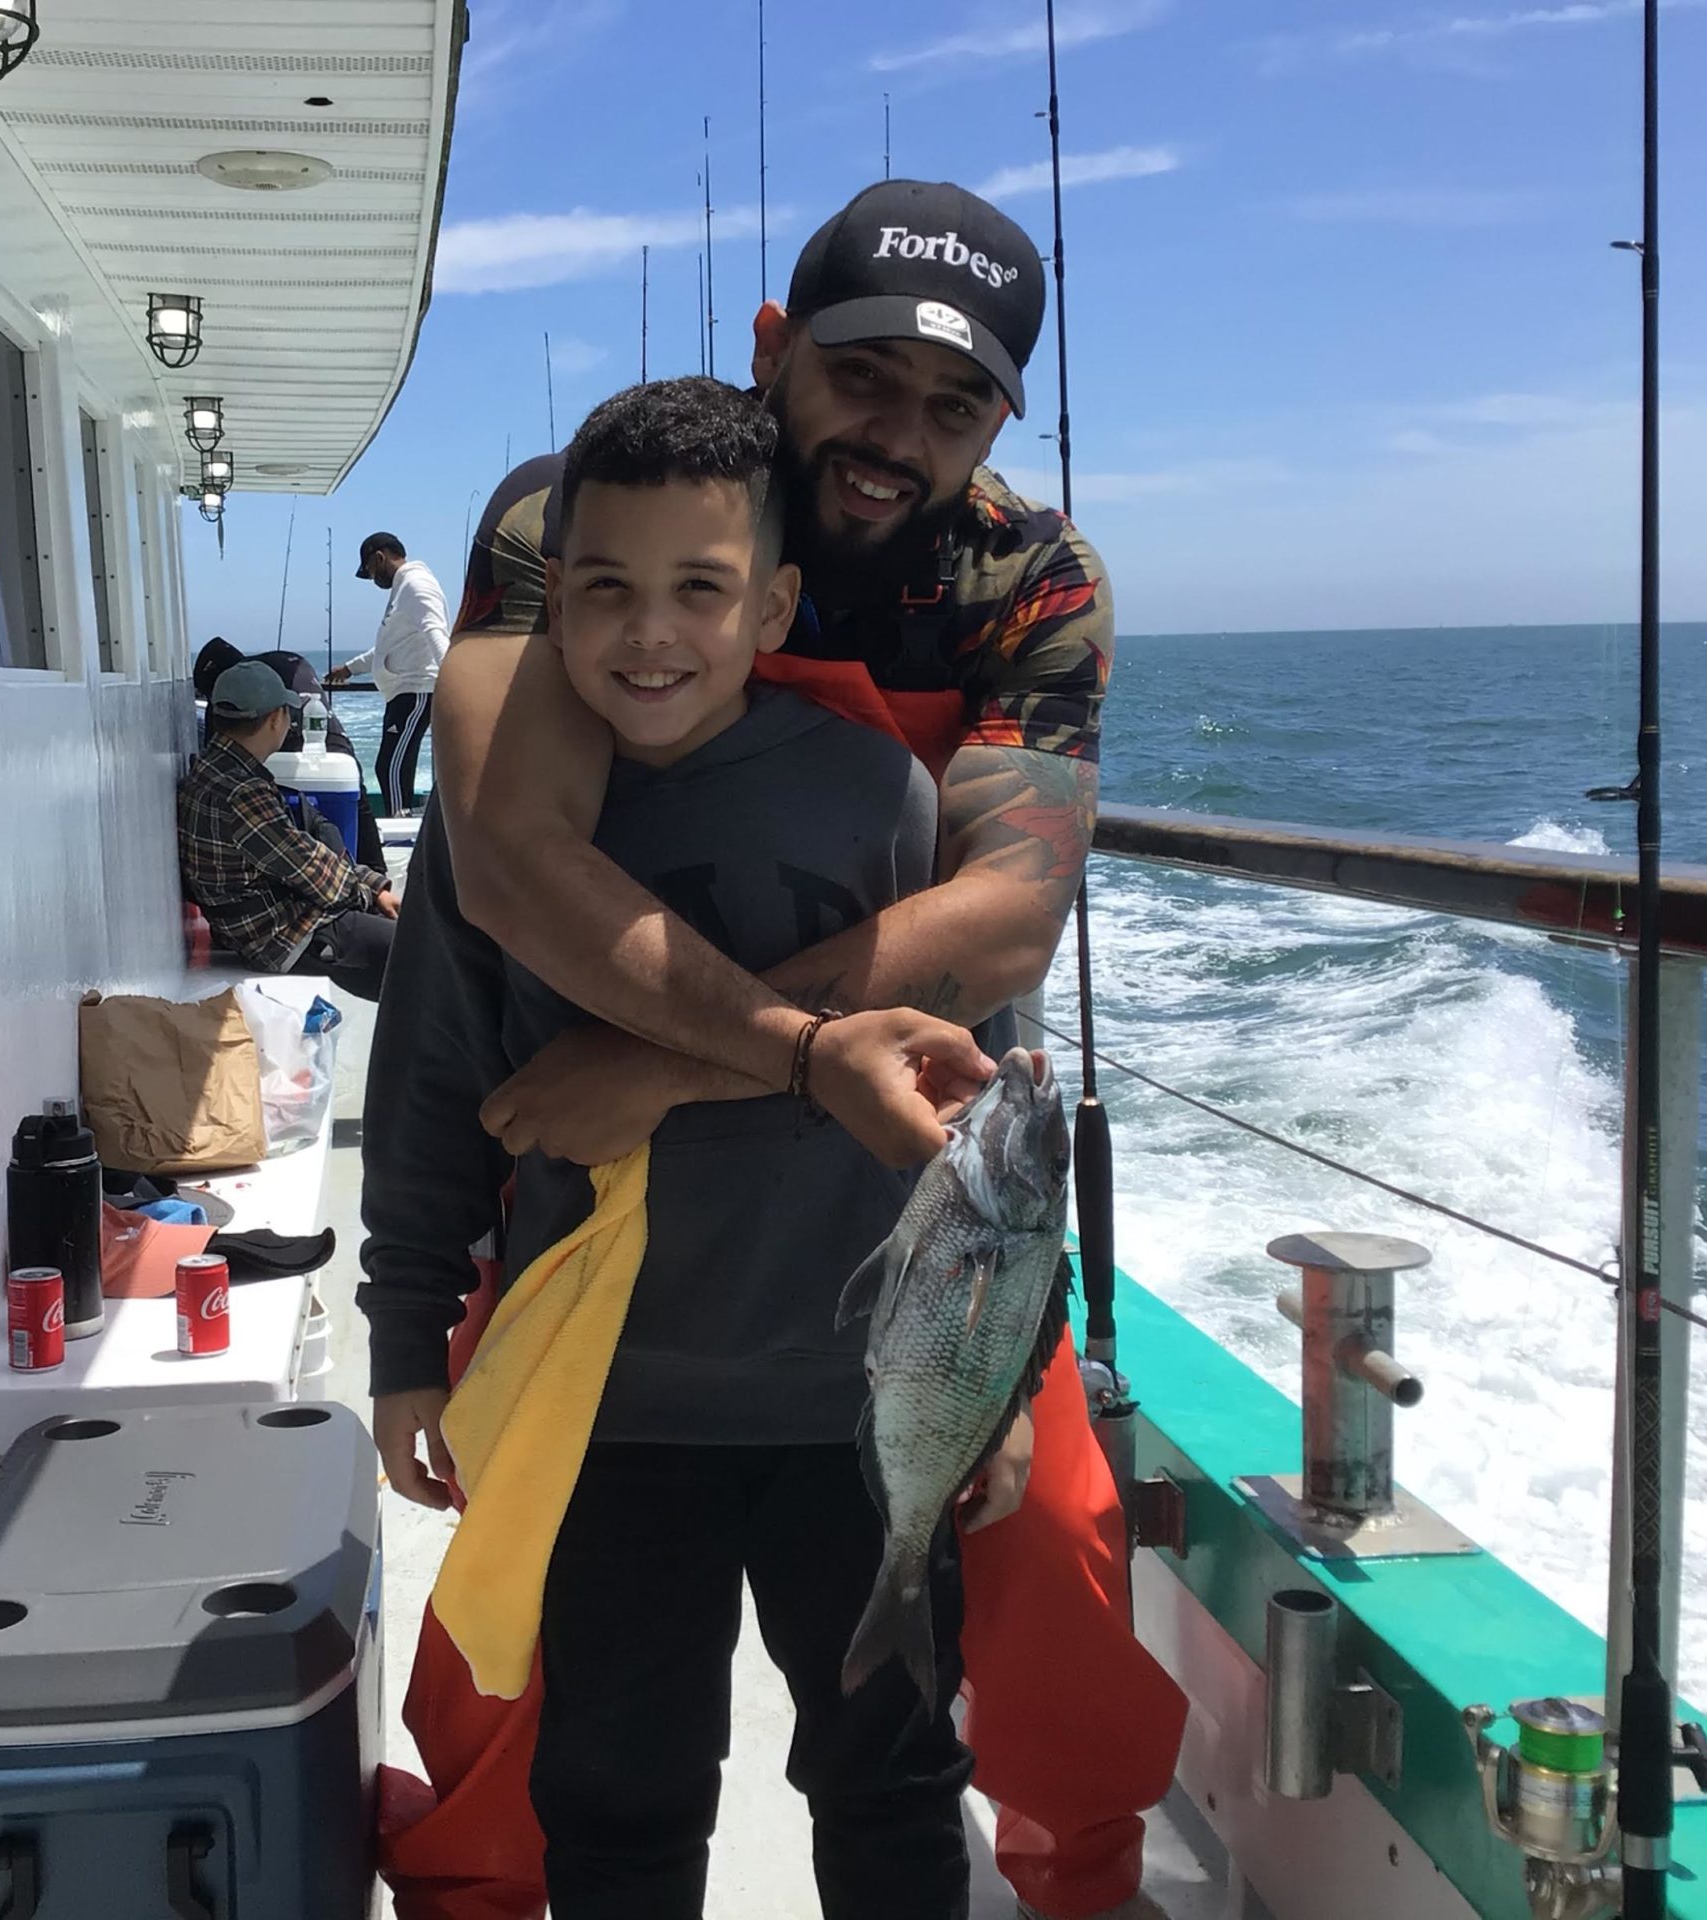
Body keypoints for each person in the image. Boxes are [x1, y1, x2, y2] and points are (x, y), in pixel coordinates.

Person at [422, 179, 1178, 1920]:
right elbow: (514, 859)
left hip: (905, 1174)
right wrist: (777, 1055)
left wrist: (692, 1058)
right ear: (777, 349)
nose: (895, 438)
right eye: (860, 379)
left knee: (1056, 1551)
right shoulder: (576, 519)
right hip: (615, 1209)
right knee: (504, 1618)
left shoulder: (1030, 577)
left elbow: (1003, 920)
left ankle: (1082, 1880)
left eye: (956, 404)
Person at [360, 378, 1020, 1919]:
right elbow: (435, 1074)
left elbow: (988, 1130)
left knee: (893, 1776)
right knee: (618, 1795)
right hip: (614, 1409)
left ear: (776, 601)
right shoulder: (502, 818)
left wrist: (998, 1384)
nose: (648, 634)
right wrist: (405, 1340)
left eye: (700, 590)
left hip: (859, 1409)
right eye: (604, 590)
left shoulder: (880, 793)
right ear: (547, 601)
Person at [177, 660, 398, 1000]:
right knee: (419, 956)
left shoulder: (208, 770)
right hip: (284, 937)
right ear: (275, 719)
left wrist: (371, 884)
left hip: (250, 926)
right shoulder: (242, 792)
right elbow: (319, 878)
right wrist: (374, 892)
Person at [193, 635, 385, 871]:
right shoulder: (271, 668)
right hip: (324, 726)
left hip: (307, 730)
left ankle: (366, 870)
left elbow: (226, 751)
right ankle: (375, 868)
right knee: (352, 782)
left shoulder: (242, 697)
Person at [331, 532, 448, 815]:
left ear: (379, 558)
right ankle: (403, 822)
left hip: (416, 691)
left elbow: (437, 633)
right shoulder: (403, 588)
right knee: (393, 765)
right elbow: (390, 647)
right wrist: (350, 668)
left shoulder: (416, 585)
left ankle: (400, 826)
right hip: (403, 694)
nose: (372, 579)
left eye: (370, 570)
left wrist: (454, 682)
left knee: (390, 767)